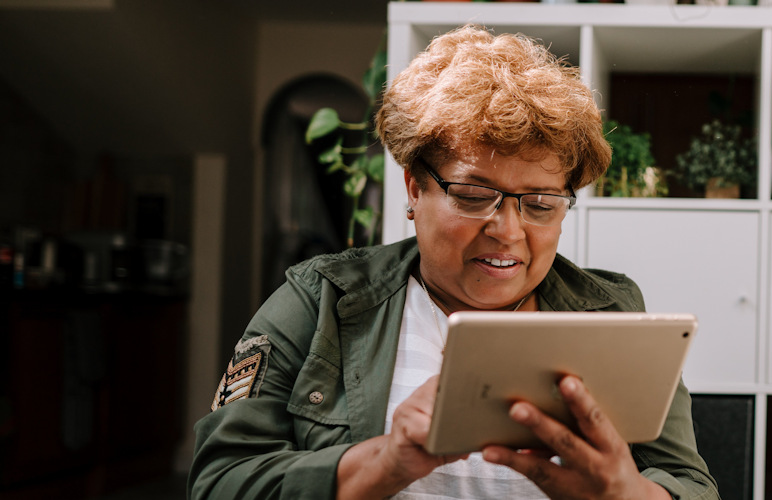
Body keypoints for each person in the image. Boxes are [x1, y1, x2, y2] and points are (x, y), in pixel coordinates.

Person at [190, 24, 718, 500]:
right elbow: (219, 481)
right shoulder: (321, 299)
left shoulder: (614, 316)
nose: (508, 231)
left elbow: (692, 486)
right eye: (471, 195)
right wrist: (383, 463)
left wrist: (629, 495)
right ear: (415, 187)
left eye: (540, 204)